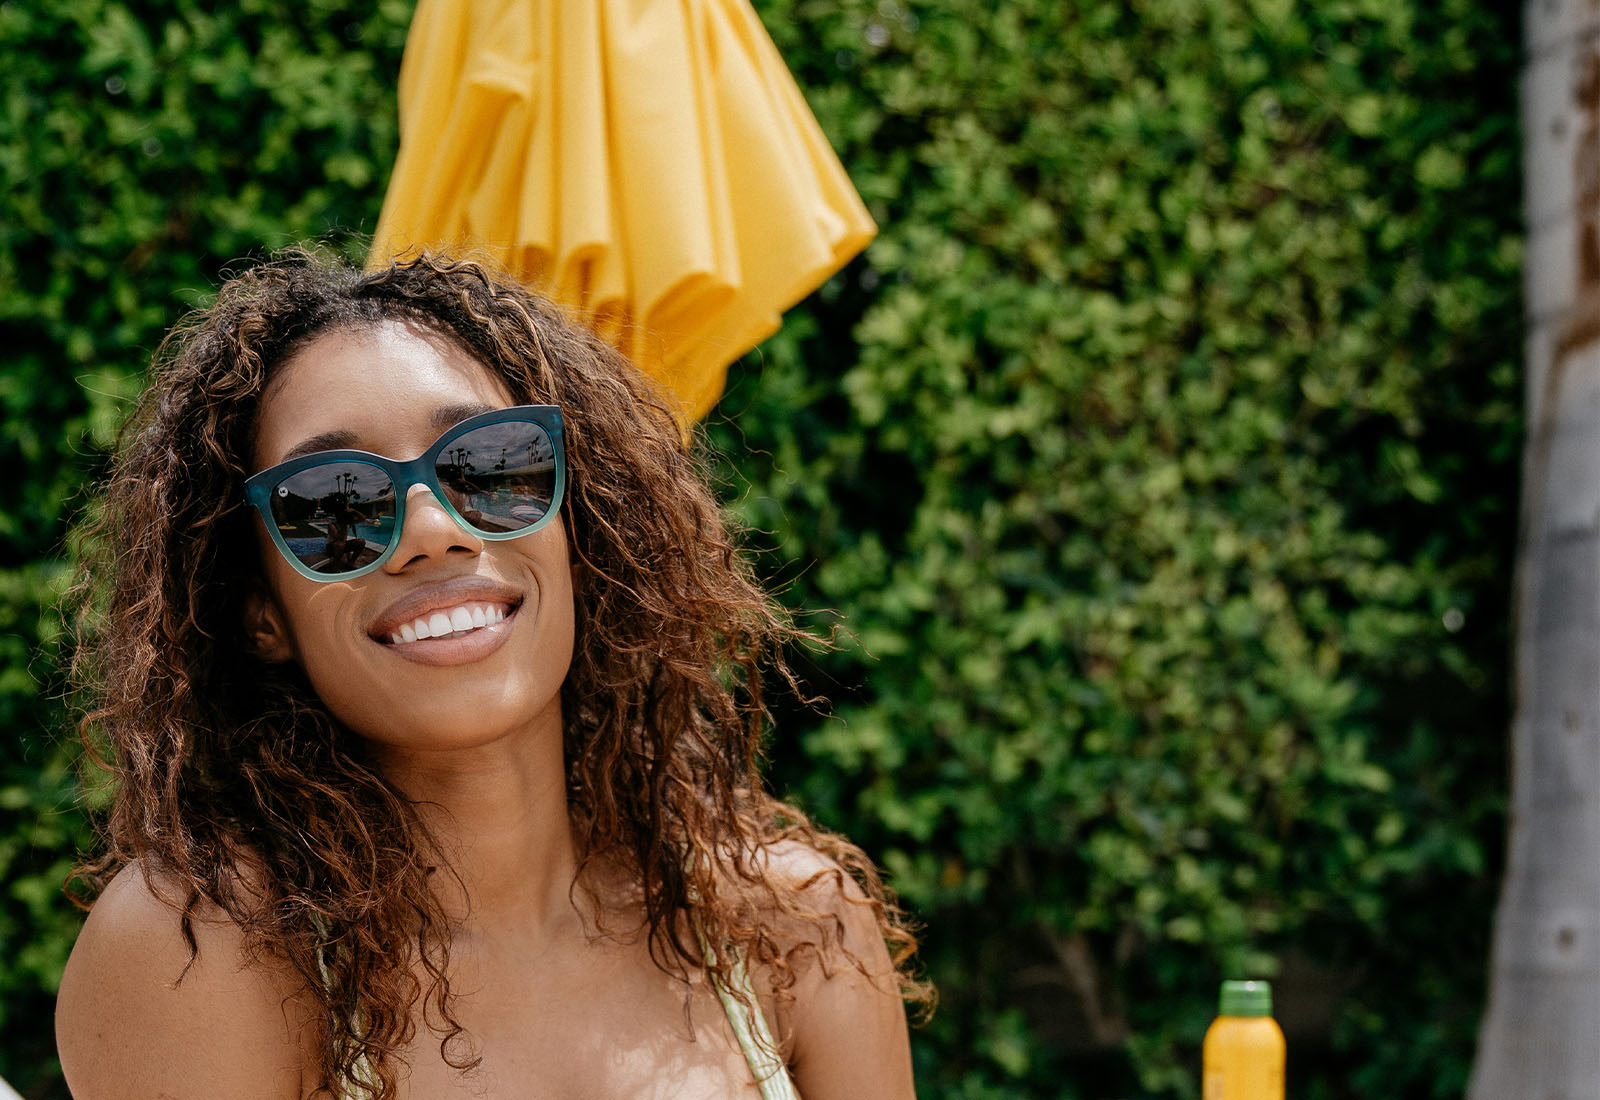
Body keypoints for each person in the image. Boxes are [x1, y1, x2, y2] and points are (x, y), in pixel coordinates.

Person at [54, 251, 927, 1099]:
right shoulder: (205, 953)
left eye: (491, 464)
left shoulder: (793, 927)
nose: (434, 529)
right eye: (333, 503)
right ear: (263, 614)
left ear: (581, 531)